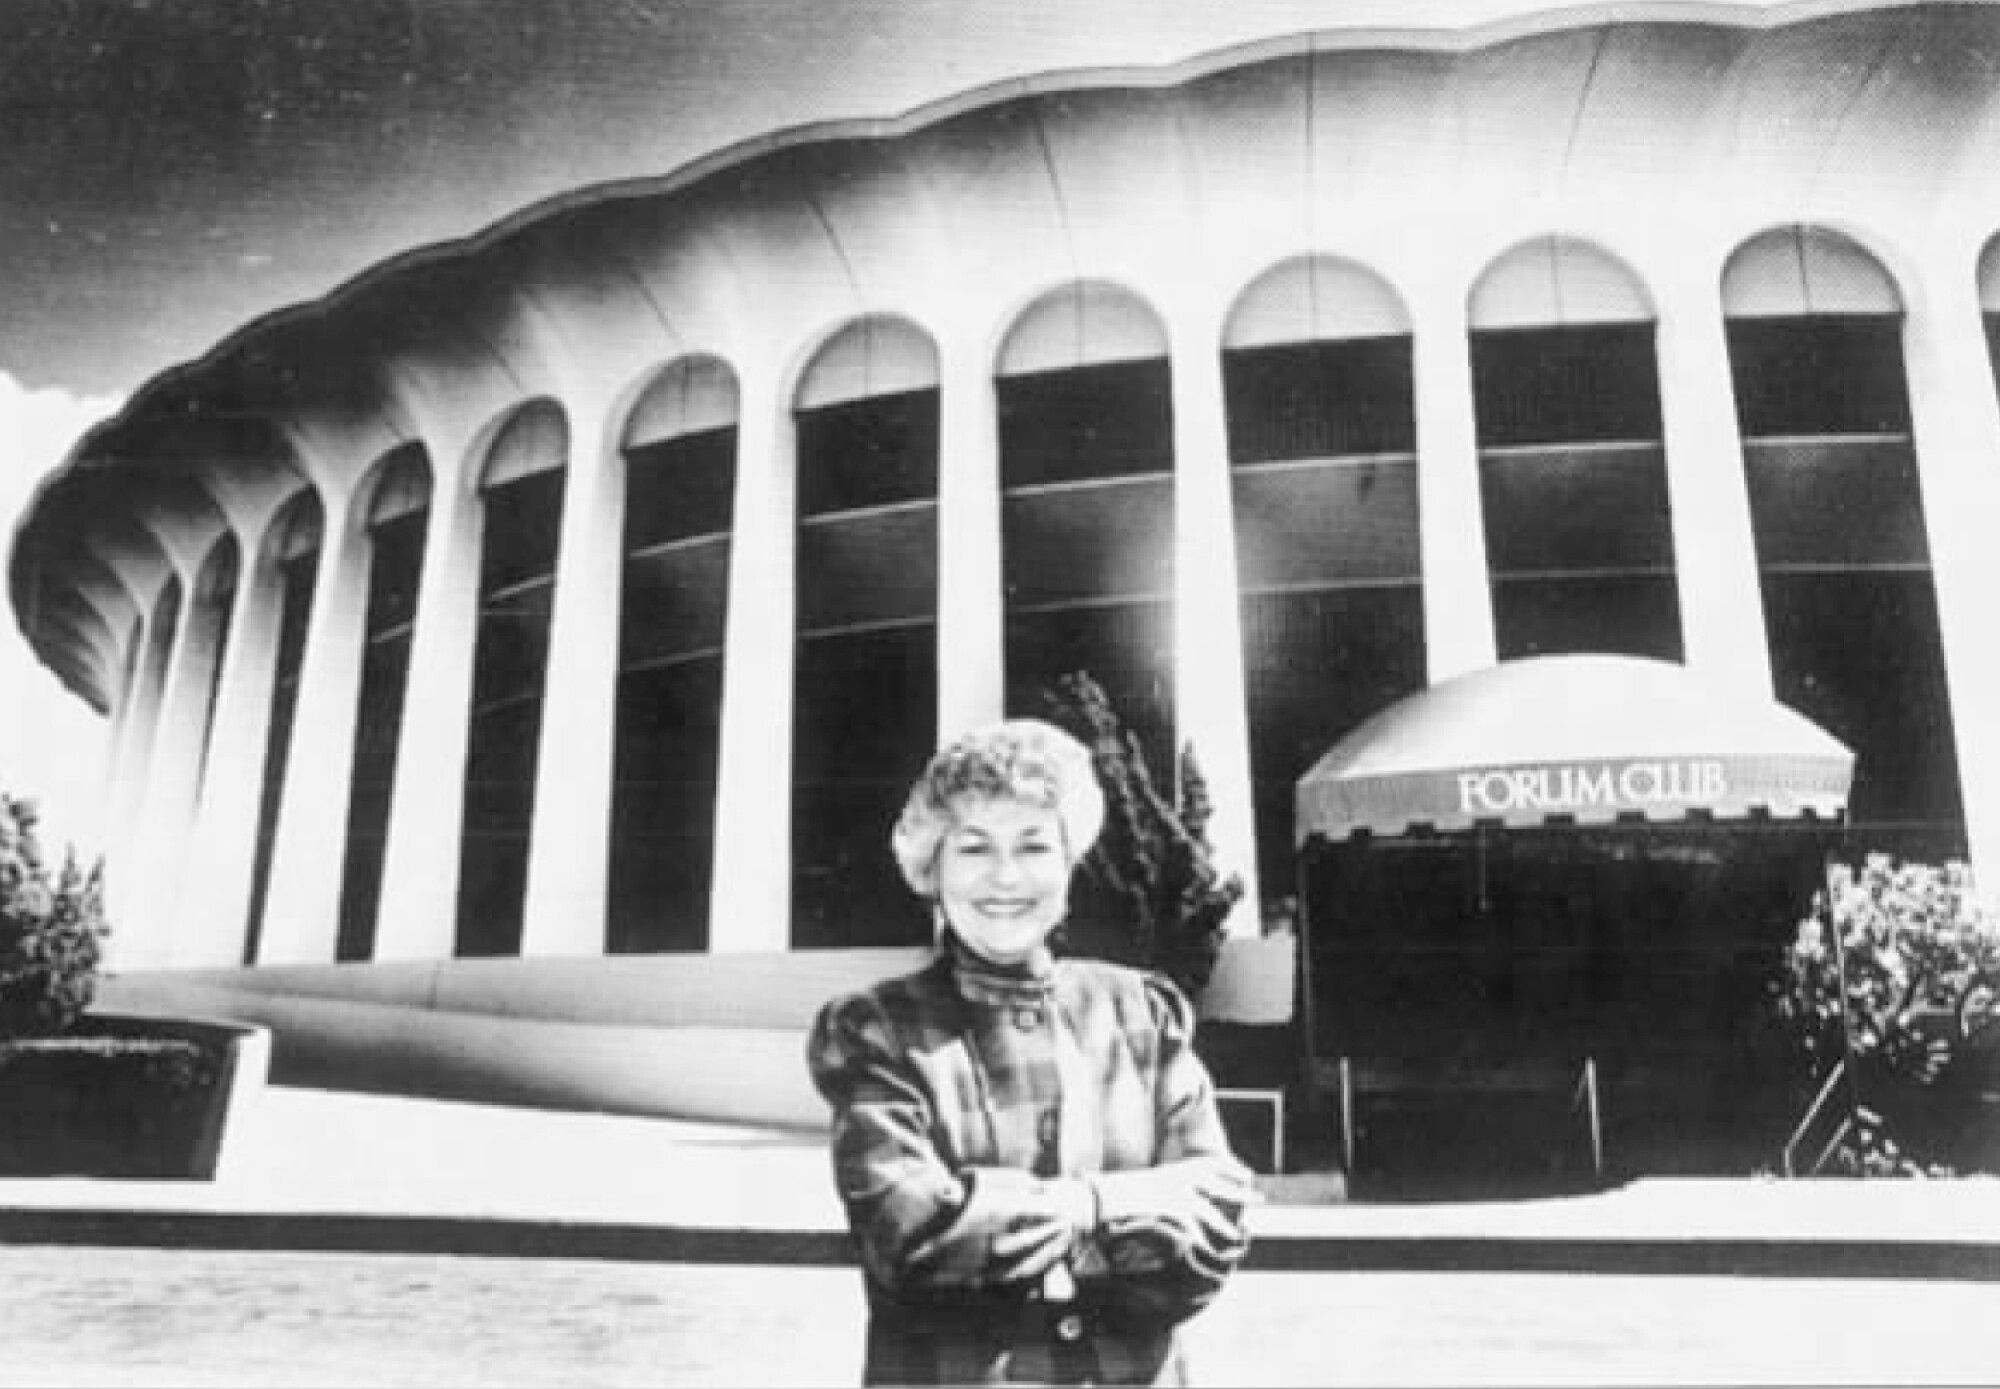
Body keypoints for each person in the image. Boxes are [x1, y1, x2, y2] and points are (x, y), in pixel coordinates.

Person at [807, 718, 1257, 1387]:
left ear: (1070, 860)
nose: (1006, 876)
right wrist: (1120, 1207)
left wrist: (1049, 1211)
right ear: (931, 867)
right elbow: (912, 1235)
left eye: (1034, 844)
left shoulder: (1141, 1011)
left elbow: (1219, 1217)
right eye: (975, 847)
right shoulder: (876, 1029)